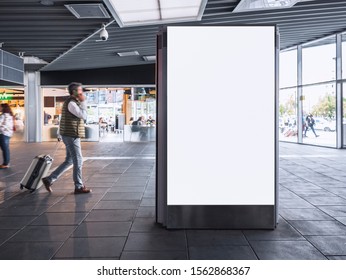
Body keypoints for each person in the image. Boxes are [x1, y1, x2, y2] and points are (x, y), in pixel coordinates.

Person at [42, 82, 91, 194]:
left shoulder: (72, 102)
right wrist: (84, 102)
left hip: (69, 134)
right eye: (80, 90)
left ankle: (49, 179)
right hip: (71, 135)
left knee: (69, 160)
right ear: (74, 92)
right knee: (78, 160)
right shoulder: (72, 104)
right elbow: (83, 116)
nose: (82, 92)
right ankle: (78, 186)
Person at [0, 104, 14, 169]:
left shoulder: (3, 116)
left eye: (0, 107)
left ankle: (6, 163)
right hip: (8, 134)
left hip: (3, 133)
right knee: (6, 149)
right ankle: (6, 163)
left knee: (5, 149)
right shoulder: (10, 115)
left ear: (3, 108)